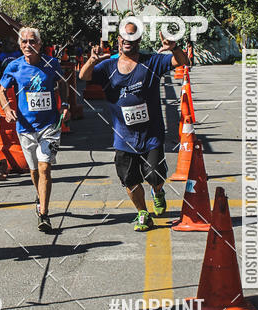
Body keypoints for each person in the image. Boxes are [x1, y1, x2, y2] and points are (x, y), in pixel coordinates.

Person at [79, 23, 189, 232]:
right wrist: (92, 60)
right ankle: (142, 213)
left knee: (154, 175)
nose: (127, 40)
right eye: (124, 36)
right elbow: (83, 77)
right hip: (123, 136)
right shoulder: (108, 67)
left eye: (132, 36)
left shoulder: (152, 61)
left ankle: (158, 191)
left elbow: (183, 62)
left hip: (152, 134)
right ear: (118, 40)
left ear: (138, 39)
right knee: (129, 179)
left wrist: (174, 47)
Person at [0, 27, 70, 233]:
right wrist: (7, 108)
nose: (27, 45)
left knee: (45, 167)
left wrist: (64, 104)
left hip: (50, 126)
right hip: (26, 127)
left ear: (39, 44)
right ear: (19, 45)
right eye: (24, 42)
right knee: (33, 170)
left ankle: (44, 214)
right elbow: (1, 90)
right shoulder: (14, 66)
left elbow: (62, 82)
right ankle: (40, 193)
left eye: (32, 41)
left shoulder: (51, 63)